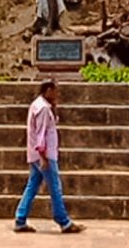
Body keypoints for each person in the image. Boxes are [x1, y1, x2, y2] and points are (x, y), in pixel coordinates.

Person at [13, 78, 82, 233]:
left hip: (35, 154)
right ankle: (63, 221)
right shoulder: (43, 108)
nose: (57, 94)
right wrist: (43, 156)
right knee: (55, 187)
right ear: (48, 91)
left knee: (32, 186)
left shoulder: (38, 105)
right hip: (45, 155)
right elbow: (41, 134)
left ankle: (20, 218)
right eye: (55, 91)